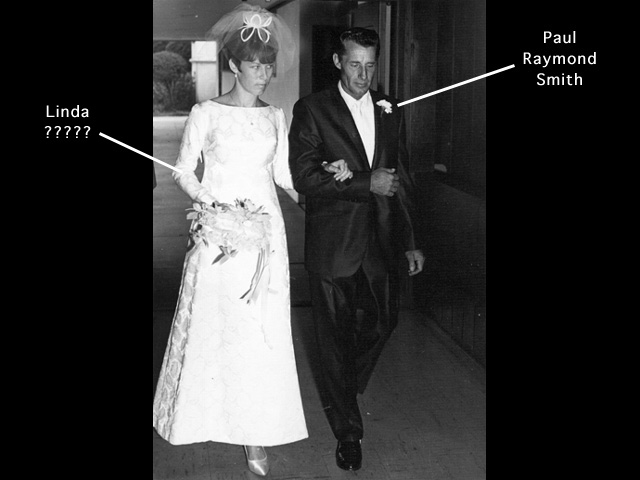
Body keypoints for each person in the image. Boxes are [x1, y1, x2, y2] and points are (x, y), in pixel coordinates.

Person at [152, 5, 352, 477]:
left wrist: (324, 174)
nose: (264, 74)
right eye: (255, 65)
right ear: (234, 64)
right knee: (217, 323)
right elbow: (183, 171)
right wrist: (215, 204)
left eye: (269, 65)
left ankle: (255, 431)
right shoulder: (205, 113)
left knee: (260, 329)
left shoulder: (275, 116)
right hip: (219, 233)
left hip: (266, 234)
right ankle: (206, 415)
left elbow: (285, 175)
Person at [288, 27, 425, 471]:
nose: (363, 76)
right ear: (337, 62)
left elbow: (402, 177)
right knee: (332, 340)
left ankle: (342, 382)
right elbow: (304, 177)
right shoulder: (312, 109)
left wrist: (411, 242)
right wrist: (367, 183)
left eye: (370, 66)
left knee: (384, 321)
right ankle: (348, 433)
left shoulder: (390, 108)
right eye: (354, 65)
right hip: (333, 244)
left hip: (380, 243)